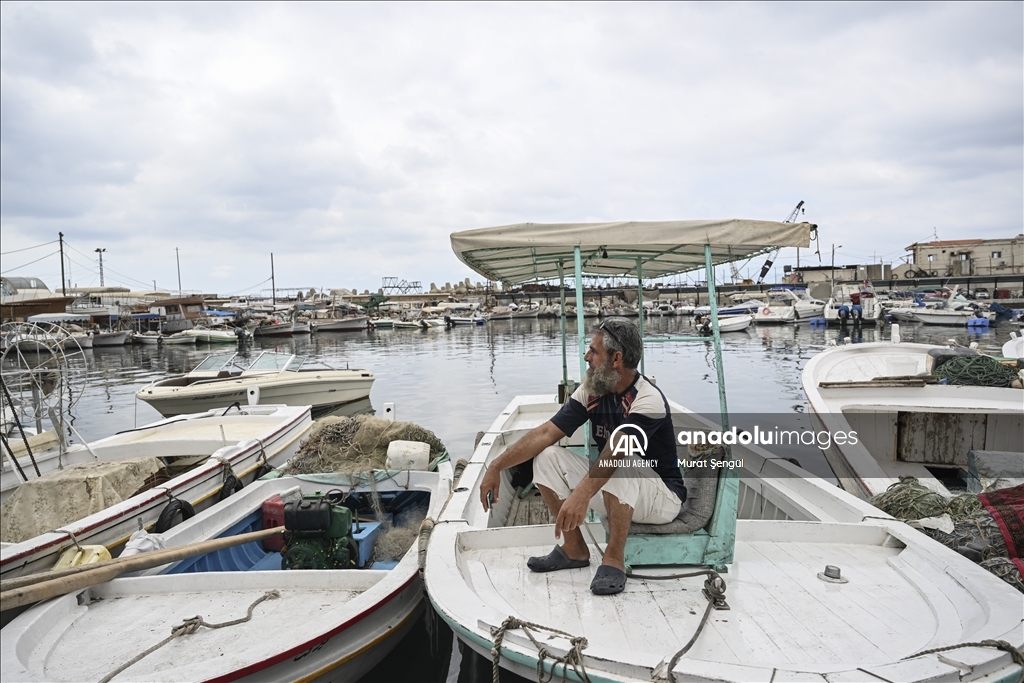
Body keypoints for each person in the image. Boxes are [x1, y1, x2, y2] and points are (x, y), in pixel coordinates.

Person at [479, 317, 685, 595]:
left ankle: (614, 559)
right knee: (547, 455)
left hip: (661, 499)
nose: (586, 356)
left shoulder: (647, 399)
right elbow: (545, 433)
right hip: (622, 491)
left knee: (620, 456)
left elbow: (619, 449)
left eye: (594, 351)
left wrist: (581, 494)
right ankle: (574, 549)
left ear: (617, 358)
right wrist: (495, 465)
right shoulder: (593, 390)